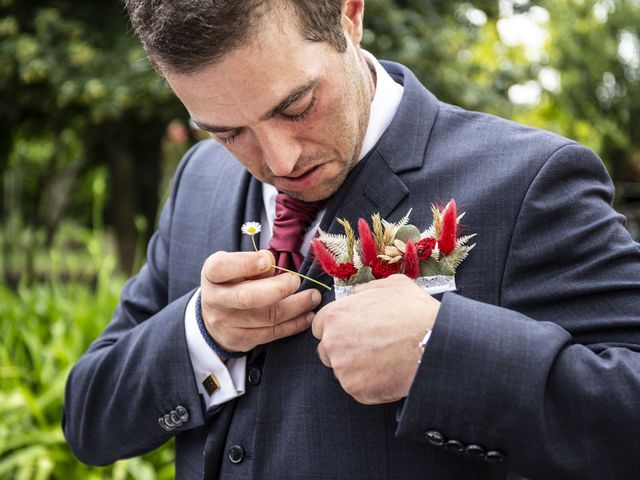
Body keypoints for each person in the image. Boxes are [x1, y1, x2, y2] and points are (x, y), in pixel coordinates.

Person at [62, 1, 640, 478]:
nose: (279, 160)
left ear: (349, 15)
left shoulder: (531, 180)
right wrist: (201, 334)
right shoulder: (198, 182)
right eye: (229, 132)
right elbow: (88, 420)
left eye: (297, 106)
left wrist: (440, 355)